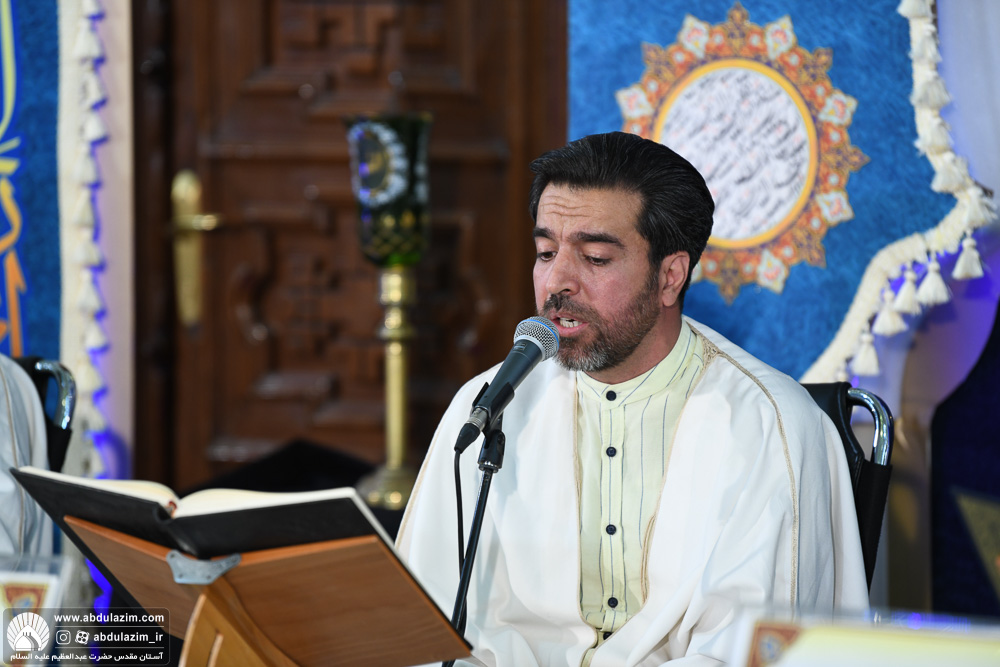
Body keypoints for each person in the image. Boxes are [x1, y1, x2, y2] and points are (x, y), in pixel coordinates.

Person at [396, 132, 868, 666]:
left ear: (670, 277)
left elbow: (747, 651)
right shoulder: (492, 405)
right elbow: (424, 626)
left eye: (595, 258)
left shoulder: (766, 425)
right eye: (546, 252)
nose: (557, 281)